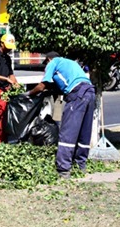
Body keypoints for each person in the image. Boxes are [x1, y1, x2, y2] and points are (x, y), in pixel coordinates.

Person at [28, 51, 96, 179]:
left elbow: (43, 85)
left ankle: (64, 169)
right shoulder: (70, 63)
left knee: (68, 132)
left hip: (77, 94)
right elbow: (61, 87)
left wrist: (29, 94)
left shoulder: (53, 62)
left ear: (48, 59)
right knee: (83, 132)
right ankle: (81, 165)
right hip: (90, 91)